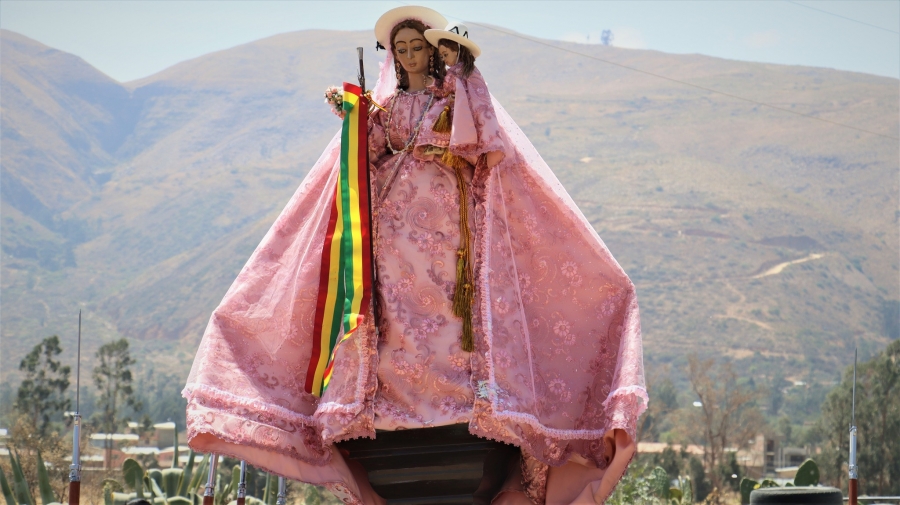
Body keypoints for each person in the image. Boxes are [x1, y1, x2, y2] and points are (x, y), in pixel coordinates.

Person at [183, 6, 646, 504]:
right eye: (400, 50)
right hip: (394, 228)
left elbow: (483, 144)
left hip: (449, 223)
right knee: (399, 307)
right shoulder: (390, 106)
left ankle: (459, 392)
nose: (409, 56)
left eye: (416, 48)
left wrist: (455, 113)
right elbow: (370, 151)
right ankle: (394, 397)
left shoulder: (457, 96)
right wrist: (354, 115)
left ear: (432, 50)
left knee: (449, 303)